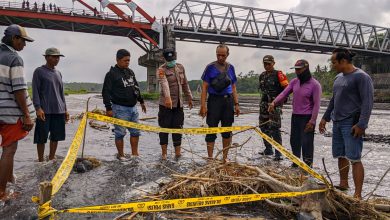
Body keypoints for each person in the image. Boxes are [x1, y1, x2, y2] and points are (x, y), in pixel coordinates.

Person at [319, 48, 374, 200]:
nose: (333, 65)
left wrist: (362, 124)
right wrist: (325, 117)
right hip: (337, 121)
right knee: (340, 155)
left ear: (343, 61)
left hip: (351, 123)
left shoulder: (361, 77)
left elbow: (368, 102)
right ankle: (343, 183)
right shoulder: (338, 78)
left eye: (334, 62)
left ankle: (358, 194)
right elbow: (333, 100)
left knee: (354, 158)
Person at [0, 24, 35, 201]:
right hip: (9, 113)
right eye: (23, 41)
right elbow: (19, 89)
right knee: (9, 149)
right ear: (14, 39)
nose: (24, 45)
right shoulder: (14, 58)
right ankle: (1, 193)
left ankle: (9, 179)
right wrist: (27, 114)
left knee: (7, 149)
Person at [268, 59, 322, 167]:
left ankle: (308, 165)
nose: (297, 72)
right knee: (294, 141)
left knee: (306, 142)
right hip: (295, 116)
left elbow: (317, 104)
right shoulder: (294, 82)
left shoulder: (315, 85)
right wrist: (274, 102)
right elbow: (284, 93)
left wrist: (312, 121)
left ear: (306, 69)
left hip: (307, 117)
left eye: (299, 70)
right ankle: (296, 163)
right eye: (296, 70)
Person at [102, 49, 146, 161]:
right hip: (119, 108)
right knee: (120, 133)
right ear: (118, 60)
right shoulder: (111, 74)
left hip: (133, 108)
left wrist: (141, 101)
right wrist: (108, 108)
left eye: (129, 60)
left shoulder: (130, 72)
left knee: (135, 132)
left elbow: (136, 87)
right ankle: (121, 155)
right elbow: (105, 92)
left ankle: (134, 154)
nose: (127, 62)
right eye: (125, 60)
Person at [200, 44, 240, 163]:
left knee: (227, 131)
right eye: (218, 55)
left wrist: (236, 104)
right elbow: (204, 87)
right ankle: (210, 158)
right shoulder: (210, 67)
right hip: (214, 101)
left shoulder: (231, 68)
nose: (220, 57)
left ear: (227, 54)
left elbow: (233, 87)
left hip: (228, 102)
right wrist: (203, 106)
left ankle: (225, 157)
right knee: (211, 130)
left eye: (223, 55)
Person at [32, 48, 69, 162]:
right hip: (45, 111)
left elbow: (61, 93)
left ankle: (52, 158)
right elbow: (35, 91)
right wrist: (38, 108)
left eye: (58, 57)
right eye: (54, 56)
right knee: (41, 138)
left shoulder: (58, 73)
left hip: (59, 111)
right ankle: (40, 160)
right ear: (47, 57)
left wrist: (65, 110)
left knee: (55, 136)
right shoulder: (39, 71)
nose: (57, 59)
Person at [157, 48, 193, 160]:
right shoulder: (161, 70)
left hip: (178, 105)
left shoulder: (180, 67)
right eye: (168, 59)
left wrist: (189, 97)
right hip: (165, 105)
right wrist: (168, 98)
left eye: (172, 59)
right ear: (164, 59)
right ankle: (164, 154)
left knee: (178, 128)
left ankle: (178, 154)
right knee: (164, 128)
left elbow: (185, 83)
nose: (171, 61)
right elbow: (164, 84)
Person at [258, 55, 289, 161]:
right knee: (263, 127)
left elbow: (287, 90)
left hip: (275, 105)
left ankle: (278, 152)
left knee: (274, 128)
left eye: (268, 64)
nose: (266, 66)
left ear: (273, 63)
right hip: (264, 105)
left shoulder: (279, 75)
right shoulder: (262, 76)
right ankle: (268, 149)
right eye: (265, 64)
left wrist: (278, 104)